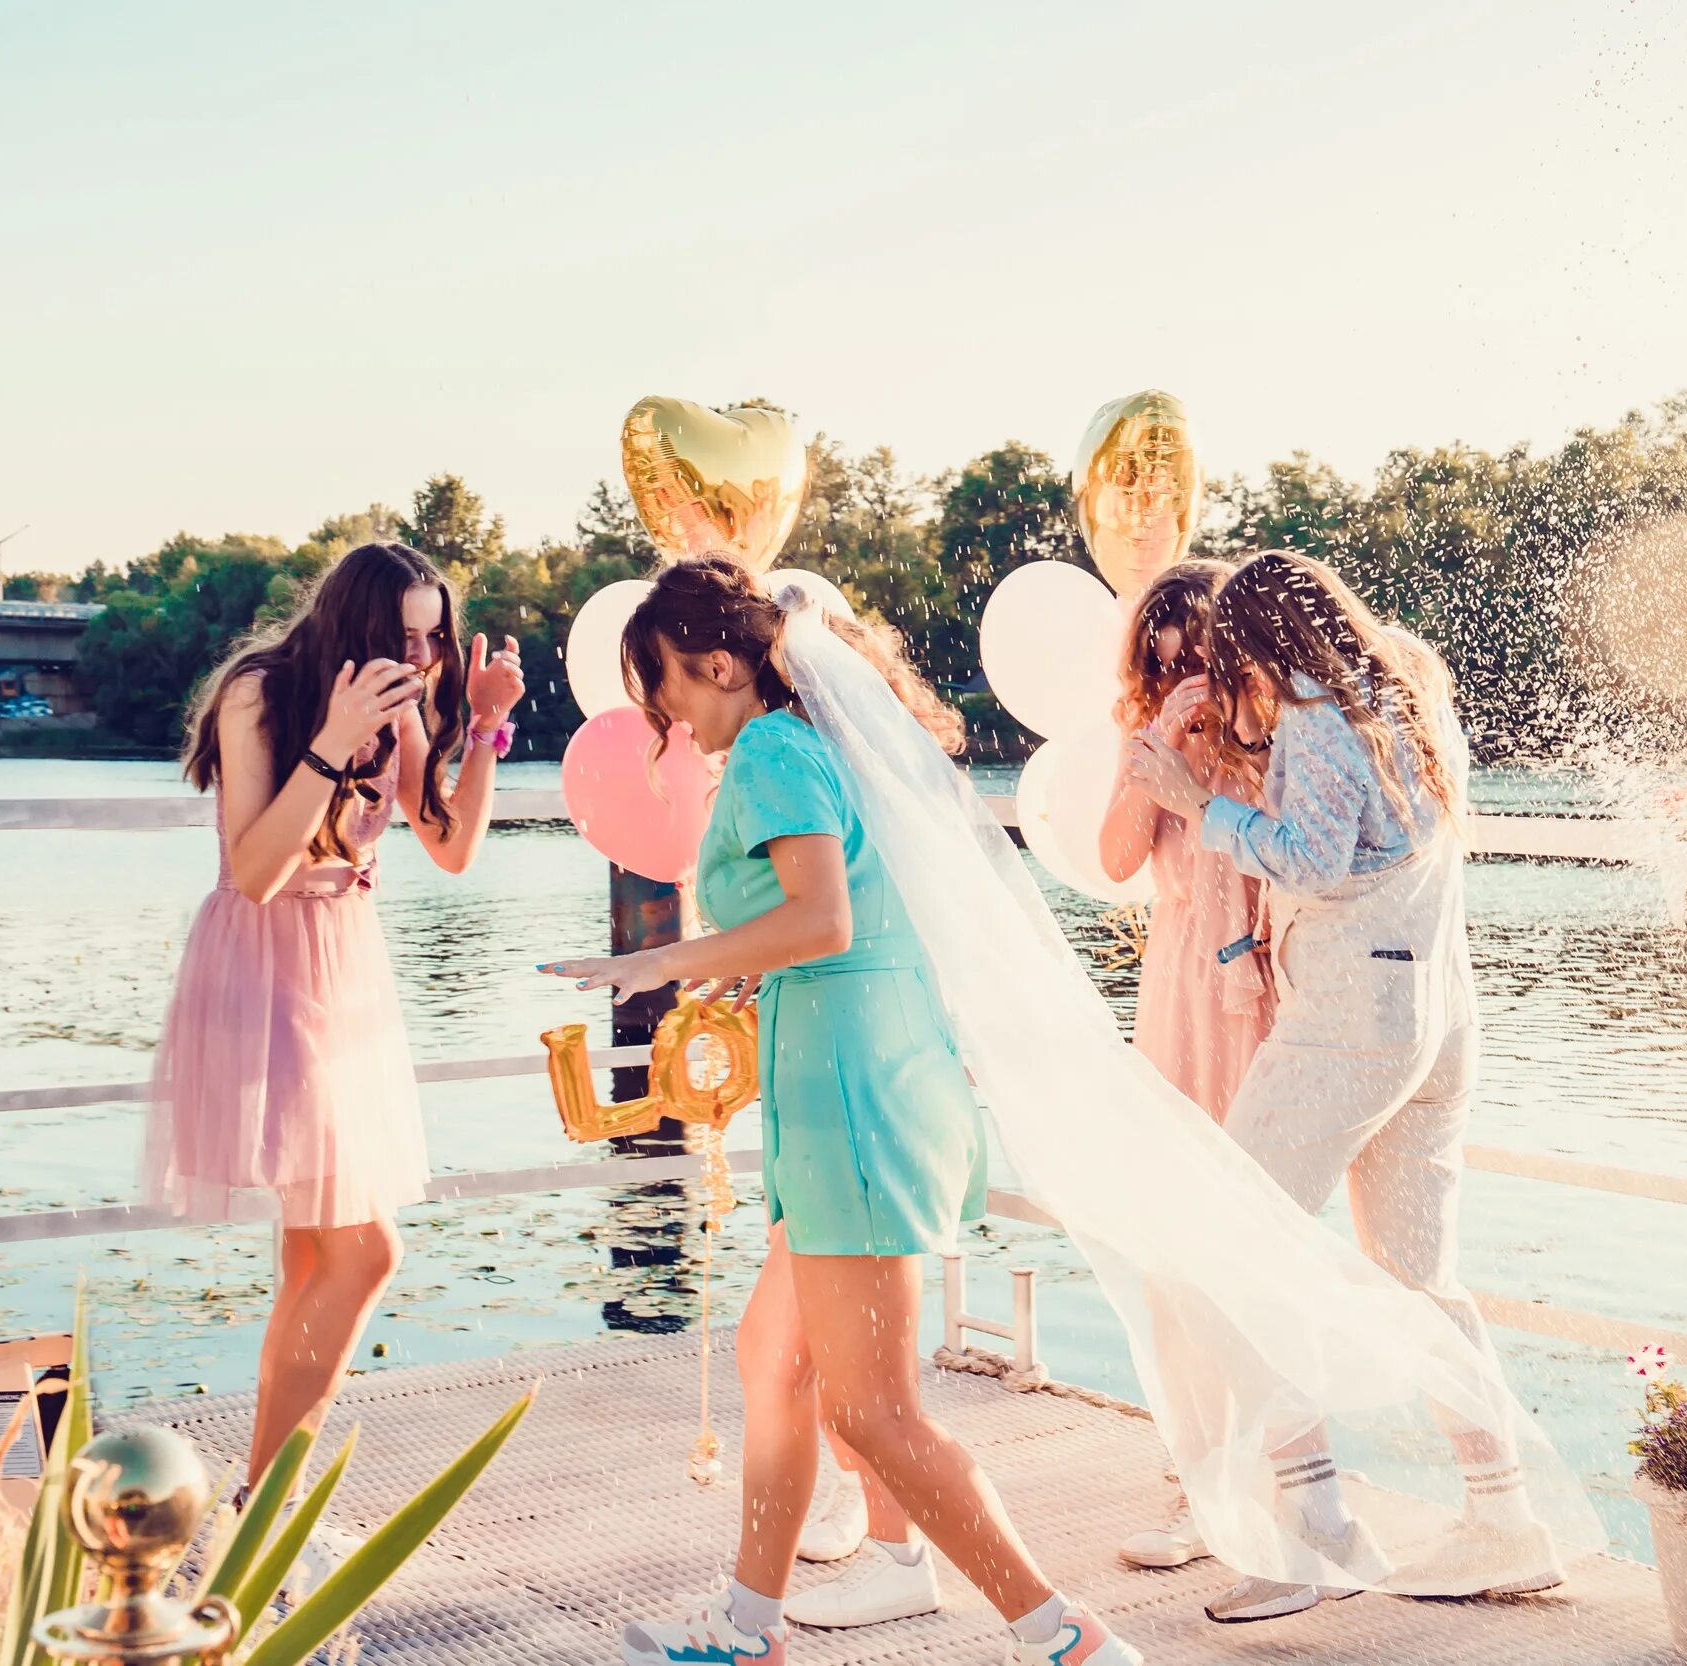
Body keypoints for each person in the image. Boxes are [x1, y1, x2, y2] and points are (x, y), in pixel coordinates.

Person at [544, 556, 1144, 1666]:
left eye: (664, 685)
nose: (663, 716)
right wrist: (740, 965)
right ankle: (745, 1625)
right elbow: (839, 921)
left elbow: (819, 920)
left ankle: (1065, 1636)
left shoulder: (772, 748)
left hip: (853, 1101)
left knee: (876, 1414)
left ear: (717, 660)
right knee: (774, 1358)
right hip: (844, 1082)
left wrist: (675, 958)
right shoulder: (808, 745)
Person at [1123, 548, 1563, 1624]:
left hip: (1349, 1024)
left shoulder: (1318, 714)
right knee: (1420, 1274)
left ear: (1260, 642)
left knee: (1218, 1243)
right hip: (1437, 1017)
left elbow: (1314, 860)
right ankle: (1505, 1513)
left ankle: (1315, 1522)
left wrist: (1195, 798)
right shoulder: (1403, 697)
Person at [145, 541, 525, 1527]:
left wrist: (480, 726)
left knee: (316, 1259)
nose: (424, 650)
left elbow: (449, 848)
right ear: (351, 622)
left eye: (434, 633)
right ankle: (271, 1506)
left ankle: (261, 1502)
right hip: (264, 963)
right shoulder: (260, 692)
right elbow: (255, 871)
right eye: (405, 632)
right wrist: (333, 738)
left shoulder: (401, 702)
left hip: (342, 966)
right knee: (365, 1253)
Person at [1095, 559, 1275, 1573]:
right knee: (1170, 1245)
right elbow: (1116, 858)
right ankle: (1193, 1477)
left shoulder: (1271, 740)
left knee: (1250, 1236)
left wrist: (1226, 759)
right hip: (1175, 995)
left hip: (1255, 996)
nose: (1184, 679)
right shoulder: (1150, 738)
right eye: (1163, 667)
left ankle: (1258, 1479)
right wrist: (1158, 751)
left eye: (1198, 660)